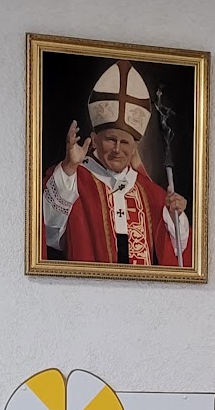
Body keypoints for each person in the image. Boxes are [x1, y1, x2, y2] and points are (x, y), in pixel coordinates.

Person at [42, 59, 191, 266]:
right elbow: (49, 231)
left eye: (125, 143)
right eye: (111, 140)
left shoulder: (150, 193)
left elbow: (177, 251)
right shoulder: (73, 180)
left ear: (134, 148)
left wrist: (177, 215)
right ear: (94, 140)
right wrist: (69, 167)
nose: (117, 149)